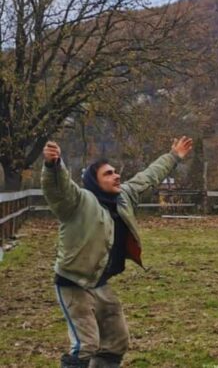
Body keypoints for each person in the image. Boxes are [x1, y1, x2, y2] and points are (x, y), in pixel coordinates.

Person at [41, 137, 193, 368]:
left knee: (116, 342)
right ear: (94, 181)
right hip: (73, 282)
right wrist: (54, 165)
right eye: (108, 174)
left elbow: (149, 176)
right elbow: (59, 188)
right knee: (85, 346)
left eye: (115, 172)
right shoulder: (78, 202)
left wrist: (173, 156)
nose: (116, 176)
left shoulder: (124, 197)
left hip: (99, 282)